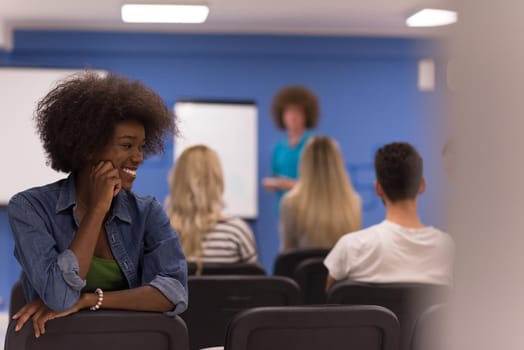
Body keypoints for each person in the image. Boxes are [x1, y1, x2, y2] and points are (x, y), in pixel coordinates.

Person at [7, 72, 188, 337]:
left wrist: (90, 300)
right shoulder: (30, 208)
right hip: (60, 342)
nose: (138, 158)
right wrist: (97, 210)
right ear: (89, 148)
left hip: (126, 341)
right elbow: (59, 297)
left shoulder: (147, 211)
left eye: (141, 146)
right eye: (127, 145)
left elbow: (174, 292)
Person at [324, 142, 454, 290]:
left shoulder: (351, 248)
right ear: (422, 185)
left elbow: (330, 302)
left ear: (378, 189)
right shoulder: (449, 249)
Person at [166, 145, 258, 273]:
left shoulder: (160, 233)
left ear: (176, 180)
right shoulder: (236, 233)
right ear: (217, 180)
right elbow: (256, 286)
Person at [280, 136, 362, 251]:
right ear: (338, 164)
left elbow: (287, 256)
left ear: (304, 163)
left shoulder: (290, 203)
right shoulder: (353, 202)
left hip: (304, 269)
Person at [262, 85, 320, 204]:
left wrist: (291, 185)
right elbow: (275, 176)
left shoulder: (315, 145)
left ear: (306, 114)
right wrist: (274, 184)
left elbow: (321, 184)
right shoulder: (278, 148)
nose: (293, 117)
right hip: (284, 211)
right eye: (288, 111)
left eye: (297, 111)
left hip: (310, 210)